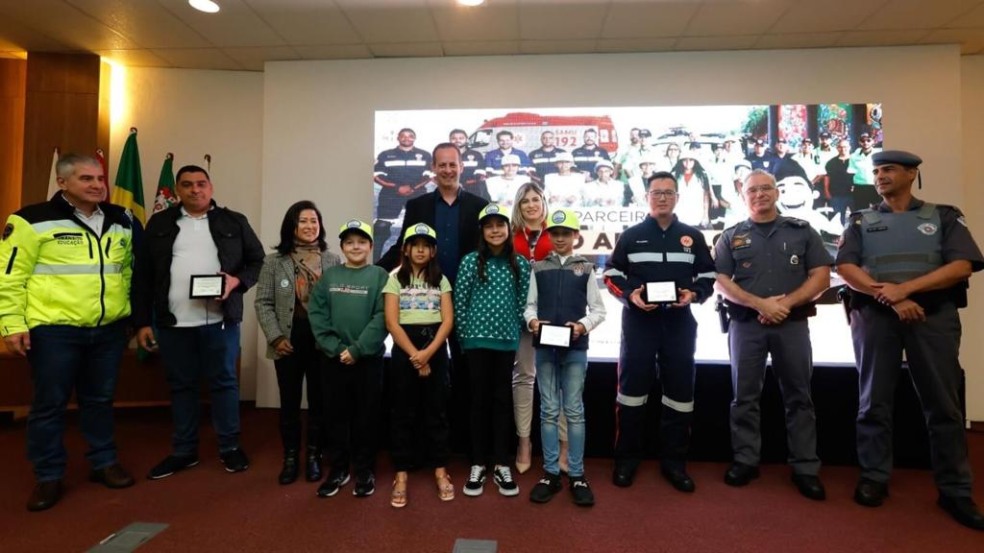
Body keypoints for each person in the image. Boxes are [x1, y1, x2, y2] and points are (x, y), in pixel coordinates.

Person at [835, 150, 984, 530]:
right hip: (875, 318)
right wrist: (890, 296)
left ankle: (954, 489)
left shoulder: (943, 216)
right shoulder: (860, 220)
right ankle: (874, 477)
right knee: (873, 403)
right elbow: (847, 267)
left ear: (912, 174)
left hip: (932, 318)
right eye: (877, 171)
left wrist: (908, 291)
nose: (881, 176)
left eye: (889, 170)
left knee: (944, 405)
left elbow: (962, 265)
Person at [0, 154, 136, 511]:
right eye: (86, 178)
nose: (96, 185)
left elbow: (131, 272)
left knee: (100, 401)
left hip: (107, 330)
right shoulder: (31, 220)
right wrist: (12, 324)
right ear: (62, 183)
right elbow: (10, 276)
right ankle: (48, 475)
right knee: (49, 405)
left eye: (100, 178)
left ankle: (103, 462)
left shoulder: (122, 219)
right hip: (54, 331)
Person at [135, 165, 264, 480]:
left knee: (224, 383)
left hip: (220, 321)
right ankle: (183, 451)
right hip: (172, 322)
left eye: (201, 183)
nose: (195, 190)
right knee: (182, 387)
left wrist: (236, 282)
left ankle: (230, 447)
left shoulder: (234, 221)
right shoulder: (160, 223)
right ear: (177, 190)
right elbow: (143, 276)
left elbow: (257, 260)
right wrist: (141, 322)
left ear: (211, 187)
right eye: (187, 185)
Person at [713, 169, 832, 501]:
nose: (760, 194)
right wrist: (760, 305)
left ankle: (805, 467)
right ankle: (745, 460)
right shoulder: (730, 236)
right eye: (753, 190)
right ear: (743, 195)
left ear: (777, 192)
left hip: (791, 324)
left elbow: (821, 277)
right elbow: (721, 281)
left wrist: (785, 305)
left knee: (799, 397)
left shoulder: (802, 231)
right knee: (744, 397)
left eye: (766, 188)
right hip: (746, 325)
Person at [602, 171, 716, 492]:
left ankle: (674, 464)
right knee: (631, 395)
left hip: (679, 325)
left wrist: (694, 294)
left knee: (680, 396)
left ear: (677, 197)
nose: (662, 197)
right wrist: (630, 295)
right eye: (656, 192)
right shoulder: (631, 235)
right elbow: (611, 273)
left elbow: (708, 275)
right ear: (647, 197)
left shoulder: (692, 236)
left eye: (668, 192)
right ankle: (626, 460)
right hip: (639, 325)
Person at [377, 143, 488, 453]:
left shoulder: (480, 204)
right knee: (426, 375)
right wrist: (372, 273)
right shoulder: (418, 206)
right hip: (425, 305)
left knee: (466, 375)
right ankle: (426, 445)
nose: (448, 170)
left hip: (467, 304)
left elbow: (490, 249)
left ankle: (464, 445)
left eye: (453, 164)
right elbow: (402, 247)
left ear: (462, 167)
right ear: (433, 169)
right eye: (442, 165)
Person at [254, 201, 341, 485]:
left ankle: (314, 456)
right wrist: (275, 337)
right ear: (292, 225)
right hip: (288, 340)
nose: (309, 226)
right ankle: (290, 457)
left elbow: (339, 303)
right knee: (289, 403)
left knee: (319, 402)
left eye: (314, 220)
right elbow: (263, 302)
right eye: (303, 221)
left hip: (321, 341)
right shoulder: (274, 261)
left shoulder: (332, 260)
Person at [525, 208, 607, 507]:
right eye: (555, 233)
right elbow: (529, 306)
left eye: (565, 233)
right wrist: (533, 323)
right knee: (548, 410)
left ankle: (576, 473)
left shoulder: (585, 268)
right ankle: (549, 473)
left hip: (574, 349)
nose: (559, 238)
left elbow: (599, 311)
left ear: (575, 236)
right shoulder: (538, 267)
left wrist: (582, 326)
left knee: (574, 410)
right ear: (549, 236)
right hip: (545, 348)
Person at [454, 204, 531, 498]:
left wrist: (512, 329)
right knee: (478, 401)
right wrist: (464, 338)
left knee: (502, 400)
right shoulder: (471, 262)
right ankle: (478, 463)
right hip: (476, 342)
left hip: (506, 342)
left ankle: (501, 462)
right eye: (489, 226)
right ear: (482, 232)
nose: (495, 230)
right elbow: (460, 302)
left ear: (509, 229)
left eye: (500, 225)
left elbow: (524, 302)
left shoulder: (519, 264)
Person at [308, 220, 389, 498]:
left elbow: (382, 317)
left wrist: (357, 349)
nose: (356, 247)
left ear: (370, 246)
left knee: (366, 416)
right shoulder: (329, 277)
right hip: (333, 360)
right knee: (336, 416)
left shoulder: (380, 276)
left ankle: (365, 470)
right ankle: (339, 469)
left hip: (367, 361)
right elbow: (317, 315)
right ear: (342, 247)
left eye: (362, 242)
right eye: (350, 242)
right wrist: (334, 347)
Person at [383, 223, 455, 507]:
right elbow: (391, 322)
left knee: (437, 411)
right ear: (406, 249)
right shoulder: (394, 279)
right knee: (402, 411)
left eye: (426, 245)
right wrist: (415, 355)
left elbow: (448, 320)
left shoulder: (441, 280)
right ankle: (401, 474)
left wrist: (428, 354)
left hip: (435, 347)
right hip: (405, 349)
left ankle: (440, 470)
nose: (421, 249)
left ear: (433, 250)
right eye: (415, 244)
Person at [510, 183, 555, 474]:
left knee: (554, 378)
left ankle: (559, 445)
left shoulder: (557, 231)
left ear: (543, 202)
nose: (530, 205)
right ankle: (524, 442)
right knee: (524, 377)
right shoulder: (509, 235)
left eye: (535, 199)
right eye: (524, 200)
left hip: (553, 317)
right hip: (520, 317)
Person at [372, 128, 433, 261]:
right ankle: (374, 263)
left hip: (417, 194)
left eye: (410, 136)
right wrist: (396, 187)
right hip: (390, 194)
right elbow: (376, 176)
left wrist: (412, 187)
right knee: (381, 229)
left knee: (421, 228)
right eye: (403, 136)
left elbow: (428, 176)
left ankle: (419, 262)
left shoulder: (425, 155)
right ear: (398, 138)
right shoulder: (385, 154)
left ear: (414, 138)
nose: (407, 138)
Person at [671, 153, 714, 228]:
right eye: (685, 160)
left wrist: (705, 215)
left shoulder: (702, 176)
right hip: (678, 211)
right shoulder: (673, 175)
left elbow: (705, 197)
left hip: (696, 212)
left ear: (695, 162)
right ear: (681, 161)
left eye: (691, 160)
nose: (688, 163)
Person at [450, 128, 489, 200]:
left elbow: (481, 173)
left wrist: (464, 184)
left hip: (473, 190)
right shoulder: (444, 156)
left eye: (461, 138)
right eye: (454, 138)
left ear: (467, 140)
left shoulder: (476, 154)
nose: (457, 140)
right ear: (450, 140)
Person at [847, 133, 881, 211]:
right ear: (859, 142)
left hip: (875, 186)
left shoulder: (878, 155)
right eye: (863, 140)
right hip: (860, 187)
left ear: (873, 141)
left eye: (868, 140)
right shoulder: (854, 156)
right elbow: (851, 172)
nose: (865, 143)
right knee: (861, 212)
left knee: (879, 210)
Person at [823, 141, 854, 225]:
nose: (843, 149)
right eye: (840, 147)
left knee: (858, 218)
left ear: (849, 147)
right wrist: (826, 191)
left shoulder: (855, 160)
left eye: (845, 147)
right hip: (836, 194)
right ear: (837, 148)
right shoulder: (831, 162)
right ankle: (838, 237)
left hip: (855, 194)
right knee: (836, 219)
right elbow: (827, 177)